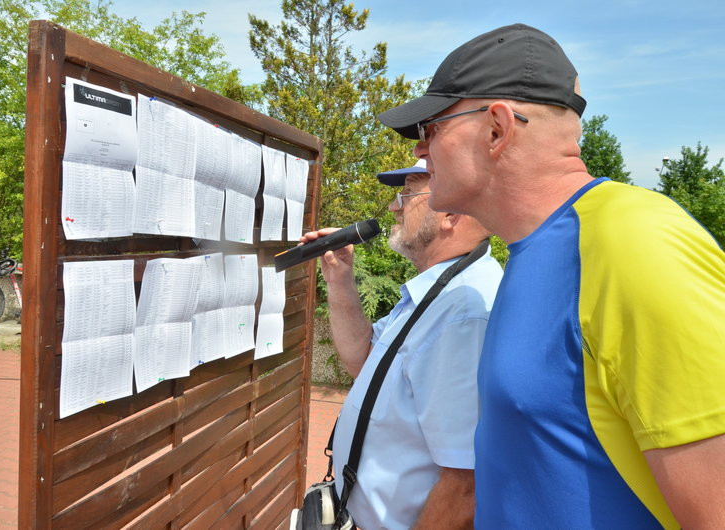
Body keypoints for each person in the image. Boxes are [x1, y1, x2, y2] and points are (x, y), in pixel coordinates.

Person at [377, 22, 725, 529]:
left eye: (431, 129)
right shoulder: (529, 250)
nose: (419, 151)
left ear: (497, 128)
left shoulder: (632, 241)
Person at [301, 159, 502, 529]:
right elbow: (364, 361)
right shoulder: (435, 290)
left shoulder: (463, 313)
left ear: (451, 213)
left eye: (409, 191)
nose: (395, 205)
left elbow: (465, 485)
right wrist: (340, 278)